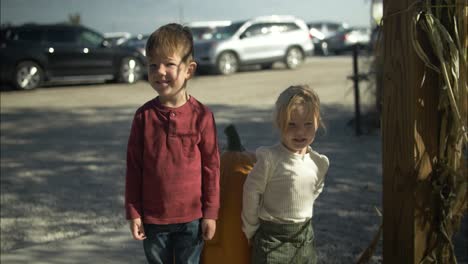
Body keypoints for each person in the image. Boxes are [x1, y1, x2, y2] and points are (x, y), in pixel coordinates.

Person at [125, 23, 220, 264]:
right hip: (153, 220)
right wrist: (134, 211)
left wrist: (210, 213)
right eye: (153, 65)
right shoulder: (143, 117)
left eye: (169, 63)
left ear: (189, 69)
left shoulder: (202, 116)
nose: (160, 71)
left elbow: (211, 168)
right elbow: (134, 168)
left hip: (192, 219)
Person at [242, 85, 329, 264]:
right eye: (292, 124)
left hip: (305, 236)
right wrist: (250, 228)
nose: (300, 132)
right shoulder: (270, 159)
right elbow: (251, 191)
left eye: (308, 124)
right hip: (272, 238)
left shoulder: (318, 162)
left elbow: (316, 187)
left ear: (317, 123)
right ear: (279, 124)